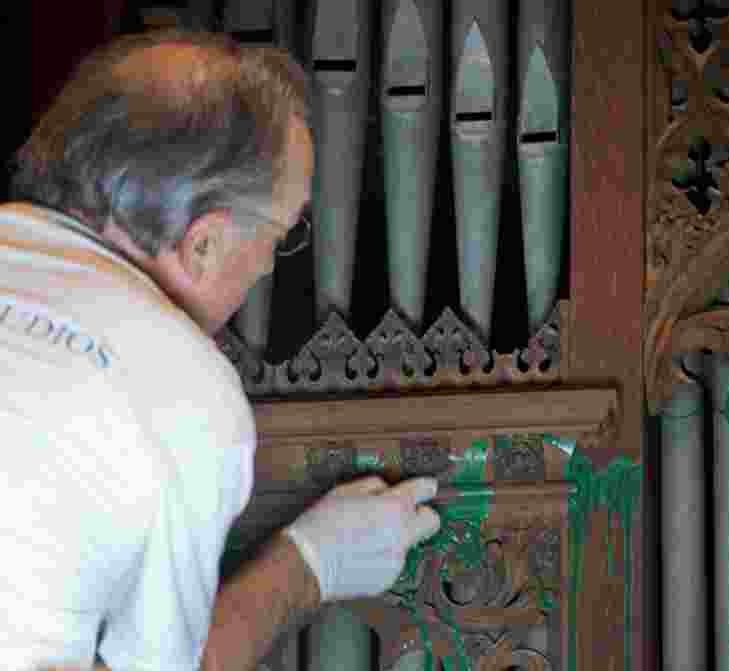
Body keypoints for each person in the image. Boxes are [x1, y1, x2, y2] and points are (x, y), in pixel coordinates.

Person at [1, 29, 441, 671]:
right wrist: (307, 565)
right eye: (281, 236)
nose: (268, 268)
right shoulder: (185, 387)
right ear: (202, 244)